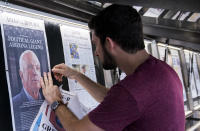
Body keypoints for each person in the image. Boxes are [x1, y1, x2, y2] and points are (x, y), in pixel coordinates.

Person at [40, 4, 185, 131]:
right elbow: (112, 100)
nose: (96, 52)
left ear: (109, 43)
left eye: (96, 44)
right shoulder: (163, 71)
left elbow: (80, 129)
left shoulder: (132, 90)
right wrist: (77, 75)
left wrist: (56, 102)